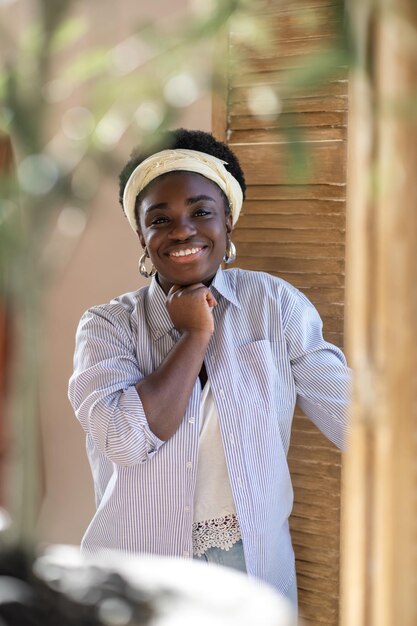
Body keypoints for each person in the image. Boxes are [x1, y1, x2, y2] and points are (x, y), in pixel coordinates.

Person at [68, 128, 350, 608]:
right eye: (161, 219)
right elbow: (125, 439)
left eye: (201, 212)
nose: (182, 230)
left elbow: (358, 424)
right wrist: (196, 335)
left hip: (252, 569)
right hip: (140, 573)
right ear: (141, 235)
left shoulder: (274, 306)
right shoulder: (106, 328)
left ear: (229, 223)